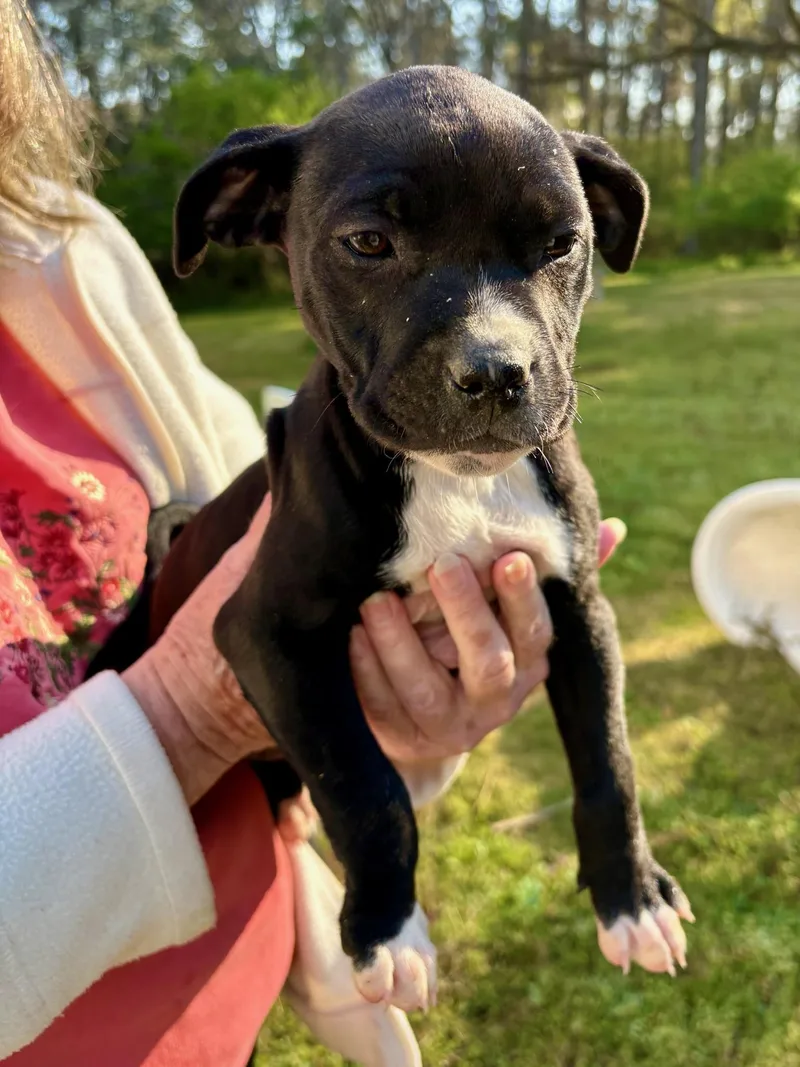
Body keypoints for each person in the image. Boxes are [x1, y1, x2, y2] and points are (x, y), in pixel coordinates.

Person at [0, 2, 625, 1064]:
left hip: (223, 973)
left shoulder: (58, 243)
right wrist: (188, 713)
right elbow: (243, 645)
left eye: (549, 249)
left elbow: (286, 594)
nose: (492, 344)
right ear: (252, 212)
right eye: (373, 243)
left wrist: (401, 729)